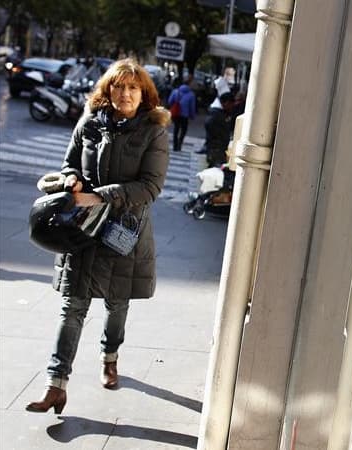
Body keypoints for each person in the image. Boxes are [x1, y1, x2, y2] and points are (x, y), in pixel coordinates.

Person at [25, 58, 170, 414]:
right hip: (82, 228)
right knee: (71, 306)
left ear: (144, 94)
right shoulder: (90, 121)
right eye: (118, 87)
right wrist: (72, 179)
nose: (124, 93)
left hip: (121, 233)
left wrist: (101, 195)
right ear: (107, 90)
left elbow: (150, 188)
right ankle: (55, 385)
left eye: (132, 88)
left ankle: (110, 357)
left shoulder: (153, 130)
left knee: (116, 303)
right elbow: (69, 163)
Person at [202, 92, 236, 167]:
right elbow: (209, 125)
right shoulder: (217, 114)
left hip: (217, 148)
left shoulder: (220, 113)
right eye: (231, 105)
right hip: (216, 148)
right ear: (226, 103)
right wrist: (218, 137)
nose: (231, 107)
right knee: (215, 169)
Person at [167, 81, 197, 152]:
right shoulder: (191, 94)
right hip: (185, 115)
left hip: (176, 114)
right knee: (183, 130)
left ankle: (175, 145)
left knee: (176, 129)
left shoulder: (175, 91)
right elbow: (192, 107)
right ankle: (179, 144)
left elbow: (170, 101)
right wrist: (192, 116)